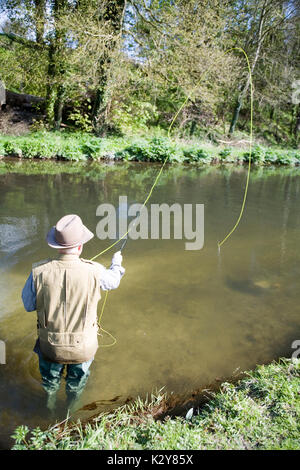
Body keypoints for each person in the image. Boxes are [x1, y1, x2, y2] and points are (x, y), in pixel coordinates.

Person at [21, 214, 125, 414]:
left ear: (56, 246)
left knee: (50, 383)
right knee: (76, 385)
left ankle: (49, 408)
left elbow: (28, 305)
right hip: (83, 349)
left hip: (49, 347)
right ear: (80, 246)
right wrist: (117, 263)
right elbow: (113, 282)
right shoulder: (95, 270)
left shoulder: (38, 271)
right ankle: (70, 413)